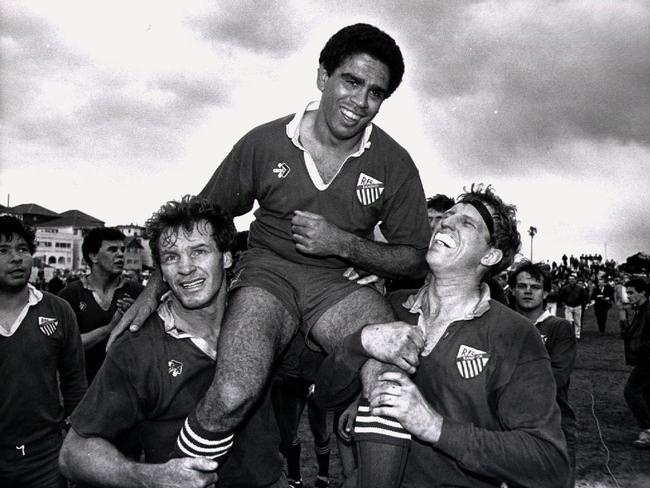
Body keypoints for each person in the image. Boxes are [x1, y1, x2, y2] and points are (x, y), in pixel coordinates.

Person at [111, 23, 430, 486]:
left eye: (376, 93)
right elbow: (201, 217)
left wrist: (345, 245)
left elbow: (415, 258)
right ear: (323, 76)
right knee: (234, 392)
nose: (360, 102)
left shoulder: (393, 163)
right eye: (351, 81)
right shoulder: (265, 143)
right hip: (268, 276)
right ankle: (177, 478)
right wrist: (154, 289)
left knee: (388, 386)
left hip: (338, 286)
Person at [315, 184, 570, 487]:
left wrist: (435, 427)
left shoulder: (514, 335)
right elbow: (326, 396)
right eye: (446, 216)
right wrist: (361, 343)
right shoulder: (390, 306)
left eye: (466, 222)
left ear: (490, 255)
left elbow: (549, 463)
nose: (445, 222)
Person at [59, 196, 286, 487]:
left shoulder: (260, 320)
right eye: (171, 257)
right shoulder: (137, 348)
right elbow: (72, 453)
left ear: (227, 257)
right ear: (161, 272)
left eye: (199, 251)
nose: (185, 267)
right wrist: (151, 477)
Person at [0, 216, 87, 488]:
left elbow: (74, 382)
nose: (17, 258)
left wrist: (75, 442)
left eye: (23, 249)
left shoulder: (58, 310)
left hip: (45, 459)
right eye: (3, 251)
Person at [510, 261, 577, 485]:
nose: (528, 291)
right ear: (512, 290)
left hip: (554, 421)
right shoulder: (503, 326)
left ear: (546, 292)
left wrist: (508, 382)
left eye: (535, 286)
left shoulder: (559, 327)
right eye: (522, 286)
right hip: (512, 423)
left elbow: (558, 376)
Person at [59, 227, 142, 382]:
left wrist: (136, 317)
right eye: (112, 249)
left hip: (125, 387)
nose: (120, 254)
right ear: (94, 256)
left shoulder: (137, 292)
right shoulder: (71, 294)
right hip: (83, 387)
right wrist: (111, 328)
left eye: (122, 249)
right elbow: (64, 348)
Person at [271, 332, 330, 488]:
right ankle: (294, 478)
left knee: (319, 430)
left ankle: (324, 475)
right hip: (291, 378)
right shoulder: (287, 313)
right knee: (289, 432)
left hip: (319, 376)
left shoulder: (317, 312)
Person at [622, 278, 650, 448]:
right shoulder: (641, 310)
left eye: (631, 292)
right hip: (644, 359)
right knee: (646, 394)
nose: (628, 296)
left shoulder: (648, 311)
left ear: (643, 293)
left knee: (632, 392)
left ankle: (647, 430)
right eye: (627, 292)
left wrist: (638, 346)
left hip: (647, 361)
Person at [559, 274, 589, 339]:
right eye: (570, 279)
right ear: (568, 280)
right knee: (568, 321)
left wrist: (582, 302)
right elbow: (561, 296)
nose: (571, 280)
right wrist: (565, 302)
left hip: (577, 306)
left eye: (573, 279)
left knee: (577, 322)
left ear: (575, 280)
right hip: (568, 306)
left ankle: (577, 336)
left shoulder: (580, 288)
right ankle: (569, 335)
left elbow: (585, 296)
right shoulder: (565, 288)